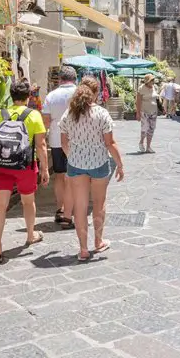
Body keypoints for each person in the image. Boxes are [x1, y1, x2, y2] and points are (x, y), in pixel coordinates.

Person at [60, 76, 126, 262]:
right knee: (99, 204)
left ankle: (83, 249)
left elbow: (64, 142)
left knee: (79, 207)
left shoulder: (69, 114)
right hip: (99, 163)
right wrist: (119, 165)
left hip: (76, 165)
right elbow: (110, 143)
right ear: (94, 94)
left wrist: (72, 156)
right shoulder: (102, 114)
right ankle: (98, 241)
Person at [0, 80, 49, 264]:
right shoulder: (33, 115)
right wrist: (45, 169)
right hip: (25, 166)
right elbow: (41, 145)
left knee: (0, 205)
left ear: (11, 95)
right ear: (28, 97)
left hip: (1, 164)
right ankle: (31, 234)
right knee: (28, 202)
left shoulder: (2, 113)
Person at [42, 66, 78, 229]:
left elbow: (46, 121)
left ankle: (60, 208)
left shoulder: (51, 96)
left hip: (57, 139)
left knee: (59, 175)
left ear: (59, 79)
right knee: (76, 175)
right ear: (75, 78)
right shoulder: (80, 94)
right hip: (77, 139)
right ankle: (72, 210)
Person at [137, 73, 159, 153]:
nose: (153, 81)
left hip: (153, 112)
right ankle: (141, 141)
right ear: (147, 81)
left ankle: (148, 147)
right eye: (151, 80)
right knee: (144, 129)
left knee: (151, 129)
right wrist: (138, 113)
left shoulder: (155, 87)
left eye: (153, 80)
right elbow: (138, 101)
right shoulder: (141, 88)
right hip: (144, 111)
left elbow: (156, 98)